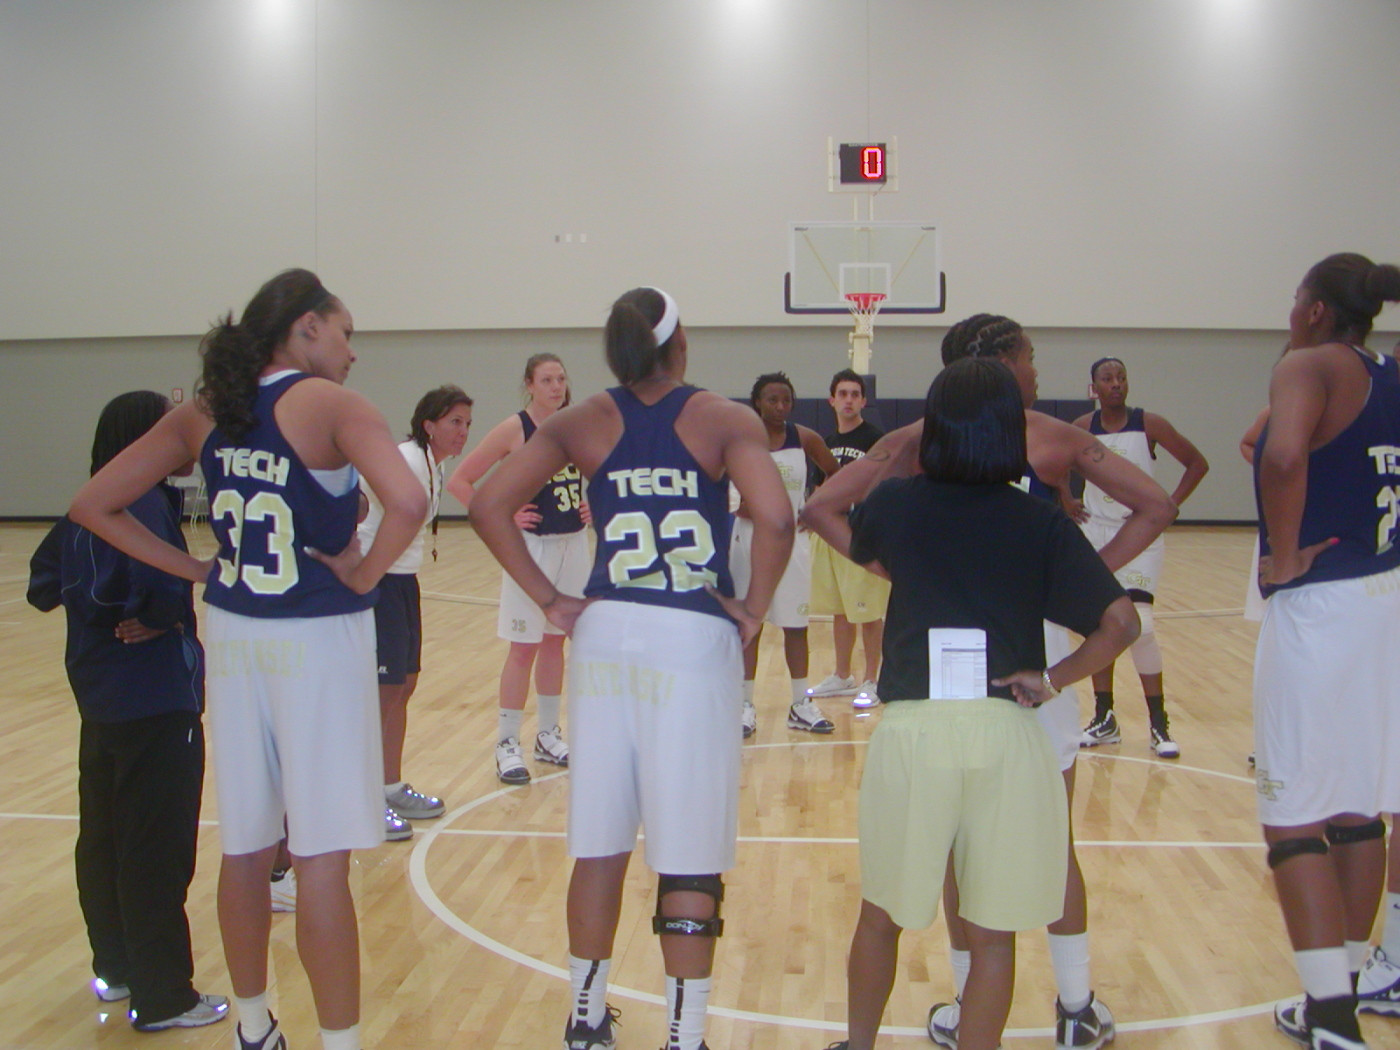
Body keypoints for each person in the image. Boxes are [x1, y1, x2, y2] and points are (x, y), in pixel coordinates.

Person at [69, 269, 426, 1050]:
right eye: (345, 332)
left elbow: (92, 504)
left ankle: (255, 1028)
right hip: (317, 640)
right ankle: (340, 1042)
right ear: (303, 329)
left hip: (232, 633)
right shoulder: (331, 405)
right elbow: (410, 501)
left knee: (245, 845)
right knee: (321, 862)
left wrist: (194, 568)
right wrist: (366, 574)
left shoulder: (207, 410)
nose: (353, 352)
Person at [803, 313, 1175, 1050]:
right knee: (996, 932)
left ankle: (857, 1045)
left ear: (932, 425)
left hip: (914, 731)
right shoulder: (1038, 523)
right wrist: (1053, 678)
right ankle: (1049, 1013)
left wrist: (886, 551)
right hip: (1008, 729)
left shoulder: (900, 505)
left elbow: (823, 507)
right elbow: (1121, 626)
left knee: (881, 914)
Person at [471, 287, 791, 1050]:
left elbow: (486, 504)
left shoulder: (578, 420)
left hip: (606, 632)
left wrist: (551, 596)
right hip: (690, 632)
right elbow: (777, 517)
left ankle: (585, 1019)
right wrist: (752, 608)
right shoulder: (723, 417)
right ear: (679, 347)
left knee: (600, 838)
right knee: (690, 849)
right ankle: (685, 1034)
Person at [27, 391, 228, 1033]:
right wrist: (151, 611)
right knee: (157, 848)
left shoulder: (94, 500)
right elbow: (162, 588)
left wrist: (105, 610)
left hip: (101, 696)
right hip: (153, 697)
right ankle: (164, 994)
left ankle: (114, 968)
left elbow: (41, 581)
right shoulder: (138, 503)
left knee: (107, 837)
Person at [1254, 252, 1400, 1049]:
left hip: (1323, 606)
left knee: (1293, 815)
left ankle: (1334, 1019)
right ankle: (1337, 996)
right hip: (1385, 600)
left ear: (1313, 309)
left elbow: (1282, 456)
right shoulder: (1388, 371)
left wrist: (1279, 556)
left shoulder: (1309, 364)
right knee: (1354, 806)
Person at [446, 353, 585, 783]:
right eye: (546, 379)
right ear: (529, 384)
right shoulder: (514, 428)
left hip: (573, 544)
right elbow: (460, 481)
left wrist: (593, 501)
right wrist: (503, 516)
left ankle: (547, 734)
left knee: (554, 643)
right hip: (529, 549)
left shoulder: (577, 424)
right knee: (523, 646)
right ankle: (507, 741)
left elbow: (598, 472)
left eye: (561, 378)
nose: (556, 386)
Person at [1070, 357, 1209, 759]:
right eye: (1107, 378)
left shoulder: (1151, 424)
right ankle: (1104, 718)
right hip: (1097, 534)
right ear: (1093, 386)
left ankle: (1159, 723)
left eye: (1121, 377)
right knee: (1101, 626)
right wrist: (1066, 498)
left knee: (1141, 626)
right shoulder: (1081, 428)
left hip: (1142, 535)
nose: (1116, 384)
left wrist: (1170, 505)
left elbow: (1198, 464)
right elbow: (1055, 465)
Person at [360, 384, 474, 840]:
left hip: (403, 581)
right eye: (455, 422)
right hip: (380, 582)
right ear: (429, 425)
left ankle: (390, 785)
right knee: (383, 693)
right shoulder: (407, 459)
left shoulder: (434, 465)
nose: (463, 431)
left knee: (403, 686)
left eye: (467, 423)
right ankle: (366, 800)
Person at [732, 371, 841, 737]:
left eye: (786, 400)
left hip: (792, 545)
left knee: (796, 625)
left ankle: (800, 703)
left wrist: (815, 508)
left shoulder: (805, 438)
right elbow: (713, 479)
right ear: (757, 403)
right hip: (748, 540)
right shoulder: (740, 437)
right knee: (751, 625)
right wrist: (735, 504)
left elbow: (835, 473)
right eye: (772, 400)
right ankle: (745, 705)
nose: (780, 406)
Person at [807, 369, 890, 707]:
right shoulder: (825, 443)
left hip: (862, 535)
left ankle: (873, 679)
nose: (849, 400)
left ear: (864, 401)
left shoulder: (875, 440)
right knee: (839, 610)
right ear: (832, 400)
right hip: (829, 536)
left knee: (867, 611)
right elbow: (818, 489)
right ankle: (843, 675)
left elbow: (883, 487)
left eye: (855, 394)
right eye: (842, 394)